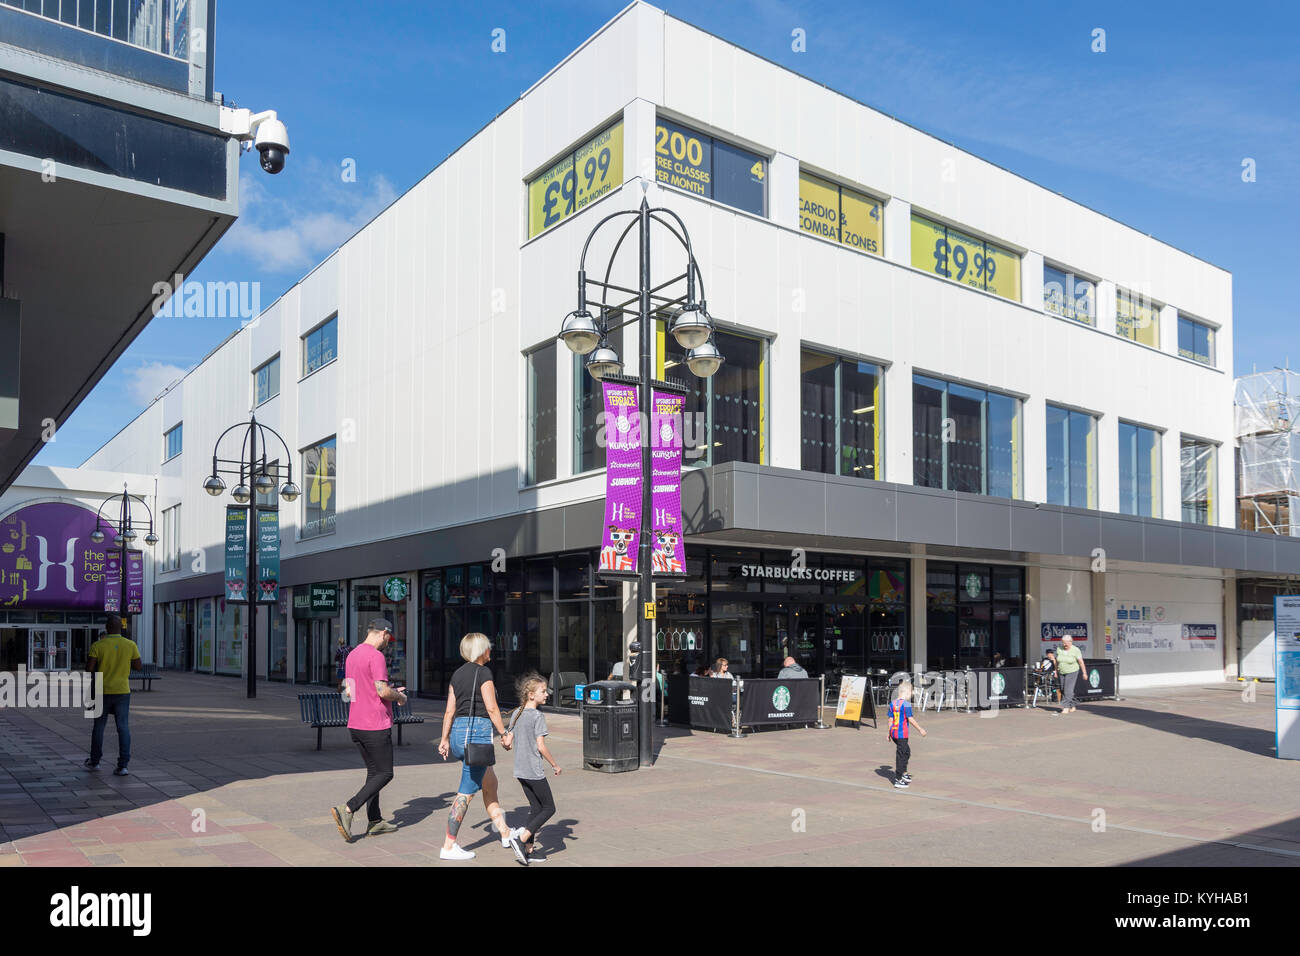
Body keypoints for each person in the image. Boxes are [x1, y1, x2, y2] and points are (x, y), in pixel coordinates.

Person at [437, 632, 515, 861]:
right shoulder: (484, 672)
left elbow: (450, 710)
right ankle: (448, 846)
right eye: (488, 647)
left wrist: (444, 739)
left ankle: (505, 832)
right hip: (477, 734)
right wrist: (504, 733)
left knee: (490, 783)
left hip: (459, 735)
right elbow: (492, 708)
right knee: (466, 793)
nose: (491, 650)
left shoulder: (457, 674)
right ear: (481, 650)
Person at [331, 619, 406, 841]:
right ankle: (347, 809)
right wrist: (399, 696)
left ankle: (375, 821)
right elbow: (382, 691)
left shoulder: (352, 655)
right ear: (383, 633)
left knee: (374, 773)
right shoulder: (376, 656)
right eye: (387, 639)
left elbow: (348, 691)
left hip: (355, 723)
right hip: (375, 724)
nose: (387, 643)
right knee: (385, 773)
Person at [504, 673, 561, 865]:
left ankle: (529, 850)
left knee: (535, 808)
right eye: (543, 691)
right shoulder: (537, 716)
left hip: (520, 770)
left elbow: (507, 742)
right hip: (533, 770)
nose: (547, 695)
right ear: (530, 695)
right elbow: (541, 746)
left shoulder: (517, 712)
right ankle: (520, 839)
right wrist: (554, 764)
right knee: (549, 808)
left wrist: (507, 742)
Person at [84, 614, 141, 775]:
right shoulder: (130, 645)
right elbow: (138, 666)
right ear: (121, 628)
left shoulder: (98, 645)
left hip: (101, 690)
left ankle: (95, 762)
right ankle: (123, 765)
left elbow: (89, 669)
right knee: (123, 727)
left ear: (107, 628)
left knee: (99, 727)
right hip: (122, 691)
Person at [887, 681, 927, 789]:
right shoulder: (906, 705)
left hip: (894, 733)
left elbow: (890, 719)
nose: (911, 695)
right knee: (901, 755)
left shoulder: (893, 703)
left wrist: (889, 733)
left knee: (906, 752)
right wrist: (920, 729)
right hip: (901, 734)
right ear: (906, 692)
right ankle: (898, 779)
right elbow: (910, 719)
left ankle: (903, 772)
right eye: (911, 693)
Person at [1054, 634, 1087, 715]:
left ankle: (1066, 707)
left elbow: (1081, 662)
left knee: (1068, 689)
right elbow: (1057, 661)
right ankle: (1073, 705)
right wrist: (1055, 671)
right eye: (1063, 643)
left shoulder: (1076, 650)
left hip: (1072, 671)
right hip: (1061, 671)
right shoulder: (1059, 649)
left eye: (1066, 643)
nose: (1064, 645)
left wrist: (1084, 673)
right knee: (1062, 689)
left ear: (1071, 642)